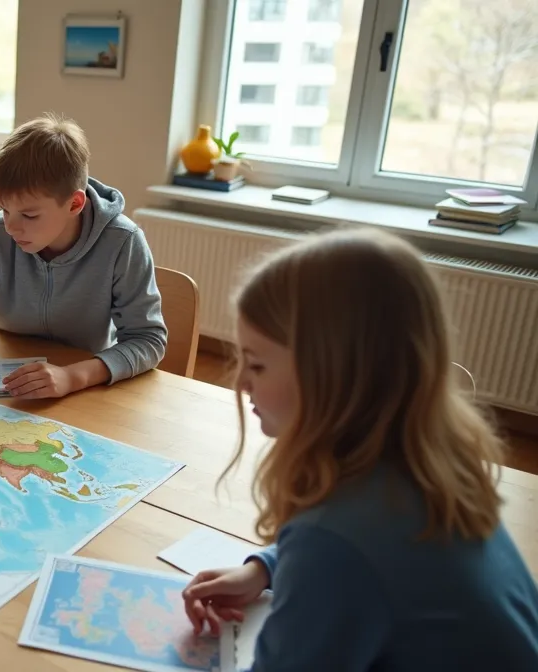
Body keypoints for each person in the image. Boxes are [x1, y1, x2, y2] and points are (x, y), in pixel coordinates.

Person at [181, 229, 538, 669]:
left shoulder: (331, 541)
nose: (240, 381)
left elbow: (343, 553)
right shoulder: (434, 465)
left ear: (331, 376)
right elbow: (380, 561)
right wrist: (267, 567)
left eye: (256, 363)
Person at [0, 114, 166, 427]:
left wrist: (72, 376)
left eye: (29, 215)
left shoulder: (123, 243)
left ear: (74, 204)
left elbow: (148, 340)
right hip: (6, 392)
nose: (11, 226)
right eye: (4, 209)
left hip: (84, 394)